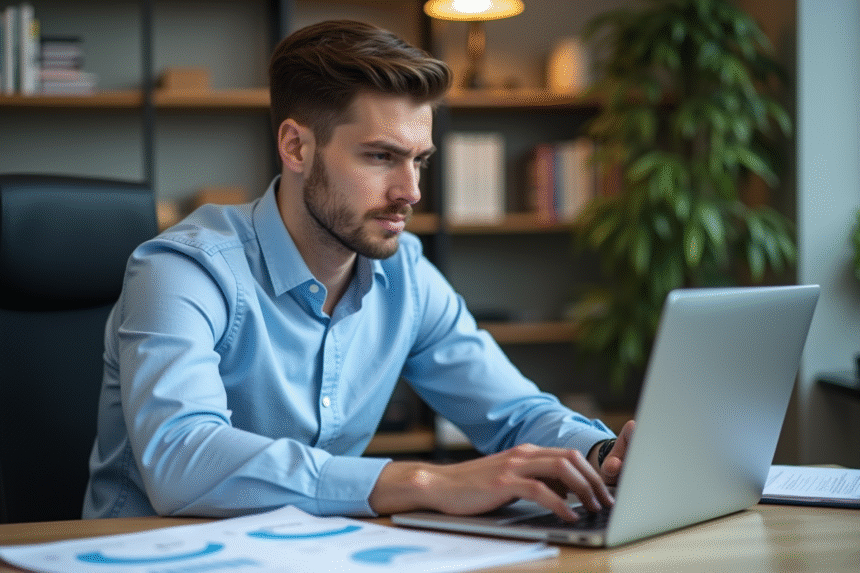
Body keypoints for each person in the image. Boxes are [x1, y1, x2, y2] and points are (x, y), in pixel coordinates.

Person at [83, 19, 635, 522]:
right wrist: (422, 481)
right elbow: (181, 459)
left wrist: (600, 455)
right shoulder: (182, 270)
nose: (410, 192)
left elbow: (514, 413)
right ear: (296, 147)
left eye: (419, 160)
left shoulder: (407, 276)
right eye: (380, 157)